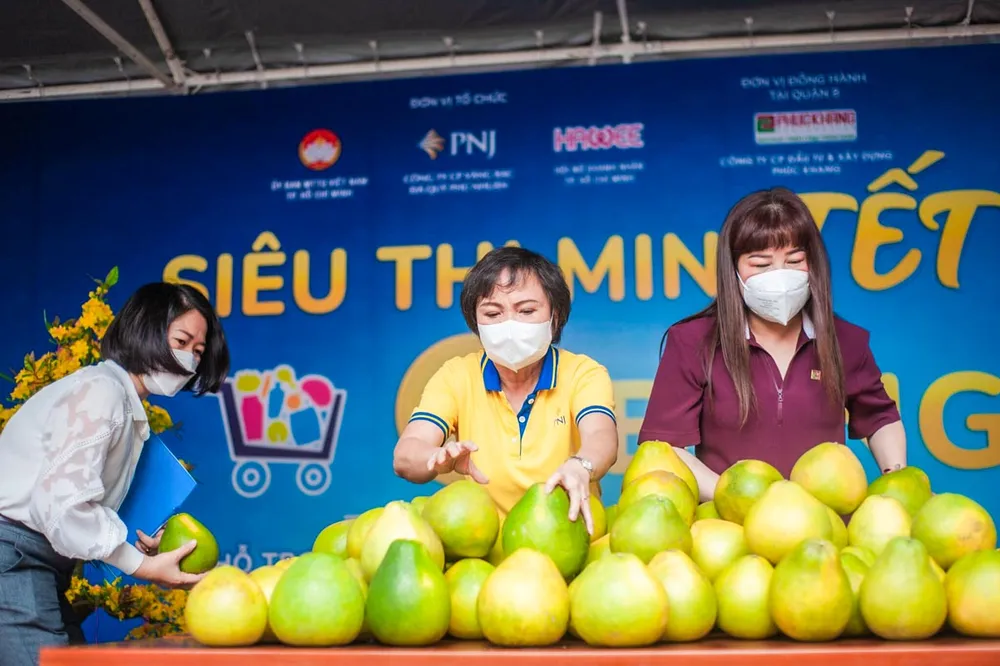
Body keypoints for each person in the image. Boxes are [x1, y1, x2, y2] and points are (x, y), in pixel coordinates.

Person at [0, 282, 230, 664]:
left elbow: (75, 503)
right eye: (182, 340)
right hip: (17, 557)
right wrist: (142, 566)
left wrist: (131, 542)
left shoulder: (118, 399)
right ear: (146, 330)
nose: (189, 359)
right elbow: (62, 508)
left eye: (198, 351)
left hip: (39, 563)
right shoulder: (101, 395)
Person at [639, 187, 905, 501]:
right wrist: (737, 499)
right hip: (727, 529)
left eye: (794, 260)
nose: (779, 277)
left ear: (813, 264)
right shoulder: (693, 342)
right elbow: (663, 448)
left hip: (826, 532)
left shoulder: (845, 340)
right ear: (733, 269)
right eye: (761, 264)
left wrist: (897, 478)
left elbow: (880, 418)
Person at [393, 247, 619, 533]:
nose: (509, 325)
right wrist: (438, 460)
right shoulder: (456, 375)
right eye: (492, 313)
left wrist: (581, 465)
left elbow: (602, 437)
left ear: (556, 315)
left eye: (526, 310)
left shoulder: (583, 373)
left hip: (567, 536)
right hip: (482, 549)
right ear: (475, 321)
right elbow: (405, 457)